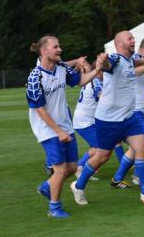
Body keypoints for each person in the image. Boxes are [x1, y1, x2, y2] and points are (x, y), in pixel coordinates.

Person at [70, 31, 144, 205]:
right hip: (109, 120)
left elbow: (134, 62)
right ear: (119, 43)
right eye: (129, 38)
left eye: (133, 38)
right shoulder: (115, 59)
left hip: (129, 118)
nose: (133, 40)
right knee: (102, 156)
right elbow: (109, 65)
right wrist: (103, 62)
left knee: (142, 146)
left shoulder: (129, 60)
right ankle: (78, 186)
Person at [27, 35, 103, 218]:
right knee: (60, 170)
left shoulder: (61, 67)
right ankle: (54, 208)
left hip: (65, 125)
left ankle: (47, 186)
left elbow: (79, 81)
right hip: (47, 128)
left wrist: (97, 69)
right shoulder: (35, 77)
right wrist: (58, 131)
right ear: (44, 51)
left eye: (59, 46)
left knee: (71, 167)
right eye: (56, 47)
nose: (60, 49)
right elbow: (40, 110)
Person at [110, 36, 144, 187]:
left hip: (143, 112)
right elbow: (129, 72)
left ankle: (117, 178)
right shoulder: (133, 59)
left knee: (134, 149)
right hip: (136, 111)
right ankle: (138, 174)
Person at [73, 62, 103, 181]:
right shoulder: (95, 81)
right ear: (98, 71)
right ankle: (79, 167)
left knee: (97, 147)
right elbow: (101, 97)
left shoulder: (91, 80)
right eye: (103, 71)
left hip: (87, 120)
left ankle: (88, 169)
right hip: (84, 122)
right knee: (99, 147)